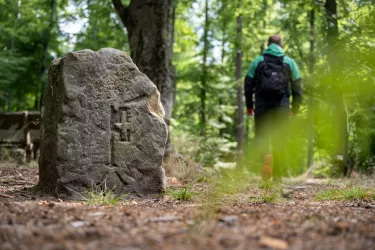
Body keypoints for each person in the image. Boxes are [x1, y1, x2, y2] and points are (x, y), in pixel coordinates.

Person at [244, 35, 302, 179]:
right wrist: (295, 108)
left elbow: (248, 83)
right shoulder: (289, 62)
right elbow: (298, 87)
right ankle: (277, 176)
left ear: (268, 45)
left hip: (262, 105)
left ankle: (265, 167)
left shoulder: (258, 61)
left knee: (262, 137)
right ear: (281, 45)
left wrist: (249, 105)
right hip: (281, 106)